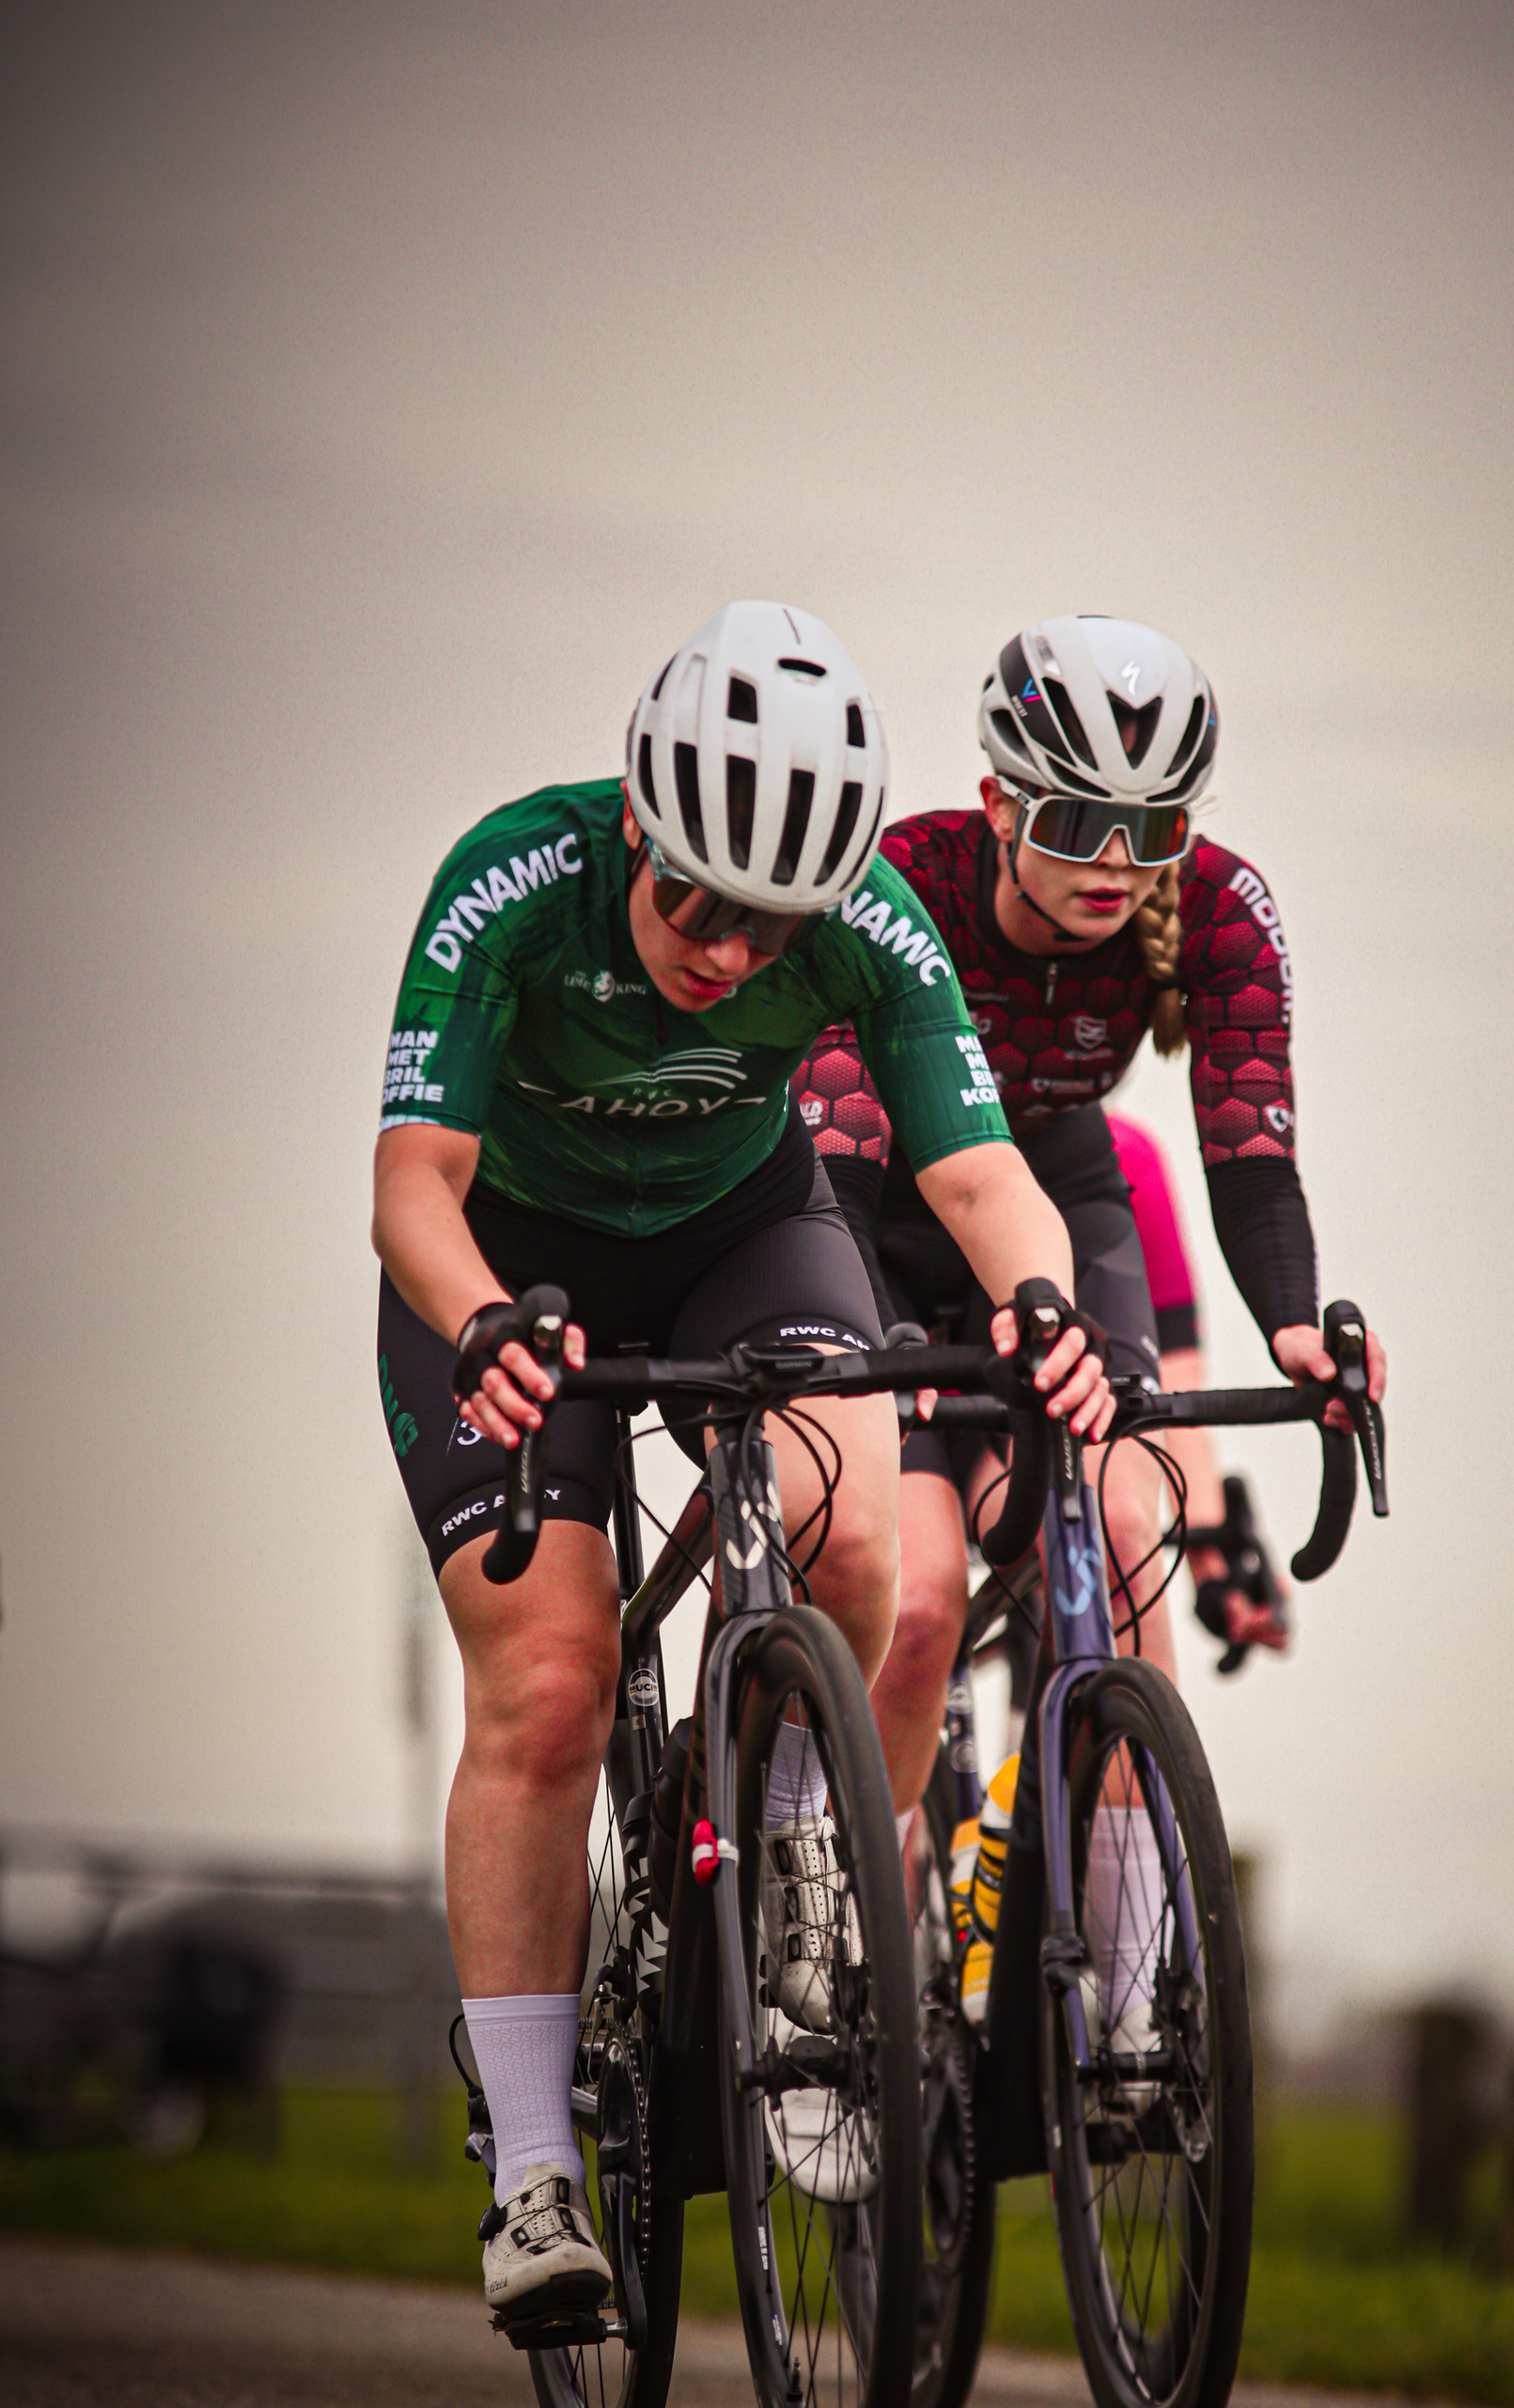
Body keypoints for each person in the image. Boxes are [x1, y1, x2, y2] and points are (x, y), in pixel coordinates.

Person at [372, 599, 1110, 2319]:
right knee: (551, 1687)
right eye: (695, 900)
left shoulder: (875, 922)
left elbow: (981, 1175)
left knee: (867, 1551)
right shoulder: (507, 885)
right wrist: (483, 1322)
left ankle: (807, 1876)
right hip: (500, 1265)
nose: (723, 949)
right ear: (637, 823)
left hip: (739, 1229)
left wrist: (1050, 1313)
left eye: (772, 926)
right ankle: (541, 2167)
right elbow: (413, 1186)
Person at [793, 614, 1386, 2039]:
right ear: (998, 802)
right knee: (922, 1594)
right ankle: (826, 1938)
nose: (1117, 864)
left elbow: (1246, 1140)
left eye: (1153, 826)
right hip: (869, 1207)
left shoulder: (1222, 910)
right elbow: (836, 1142)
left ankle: (1124, 2005)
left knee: (1131, 1529)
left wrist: (1297, 1330)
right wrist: (909, 1377)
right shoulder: (901, 887)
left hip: (1060, 1191)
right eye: (1073, 821)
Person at [1105, 1110, 1288, 1668]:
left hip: (1065, 1414)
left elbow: (1174, 1382)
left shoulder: (1128, 1153)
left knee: (1114, 1544)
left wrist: (1212, 1559)